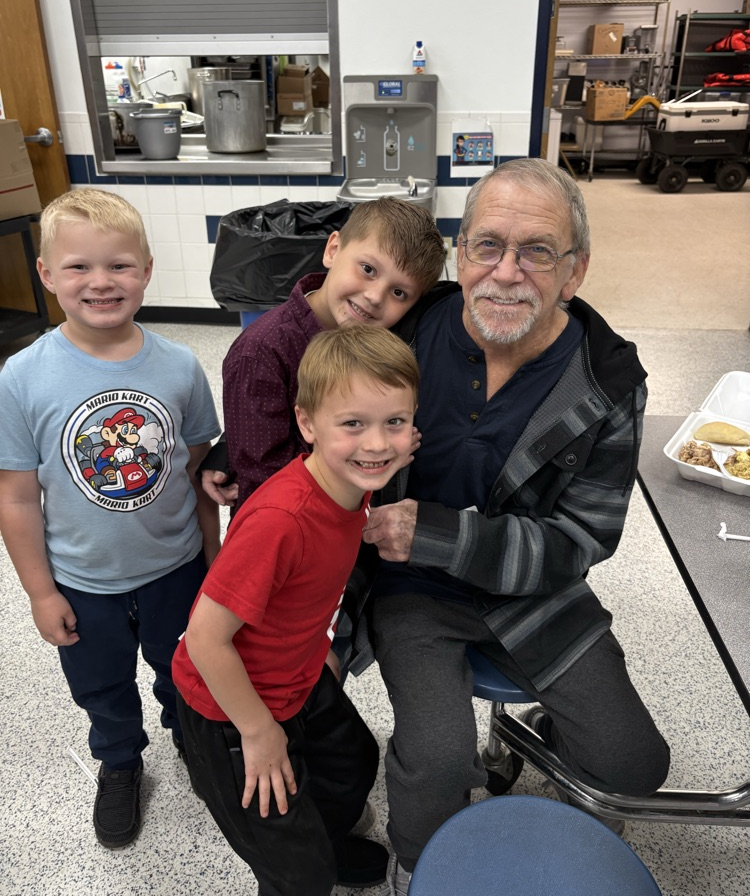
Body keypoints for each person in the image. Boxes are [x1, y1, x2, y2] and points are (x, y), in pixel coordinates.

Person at [357, 158, 671, 895]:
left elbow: (583, 540)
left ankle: (545, 731)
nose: (506, 272)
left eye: (537, 251)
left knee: (635, 767)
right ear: (459, 252)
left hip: (534, 593)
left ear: (575, 271)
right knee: (437, 760)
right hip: (413, 591)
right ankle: (420, 863)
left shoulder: (606, 383)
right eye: (488, 245)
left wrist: (441, 534)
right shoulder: (406, 328)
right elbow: (311, 370)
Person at [0, 188, 221, 850]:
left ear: (147, 270)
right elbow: (16, 497)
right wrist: (40, 592)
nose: (101, 281)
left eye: (119, 265)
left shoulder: (180, 367)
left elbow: (200, 474)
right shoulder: (21, 377)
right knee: (99, 685)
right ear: (47, 274)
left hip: (175, 568)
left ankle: (194, 742)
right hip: (81, 581)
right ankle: (120, 761)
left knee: (185, 670)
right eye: (79, 267)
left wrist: (215, 563)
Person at [172, 325, 420, 896]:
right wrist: (258, 731)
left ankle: (323, 844)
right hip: (229, 705)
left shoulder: (354, 478)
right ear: (307, 424)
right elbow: (206, 638)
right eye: (352, 424)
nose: (376, 444)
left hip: (296, 678)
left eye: (394, 422)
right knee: (296, 873)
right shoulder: (281, 522)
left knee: (353, 763)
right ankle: (306, 867)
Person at [202, 196, 446, 513]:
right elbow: (264, 479)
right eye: (368, 269)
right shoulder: (262, 351)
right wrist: (380, 460)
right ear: (333, 250)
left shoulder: (388, 340)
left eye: (399, 292)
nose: (375, 297)